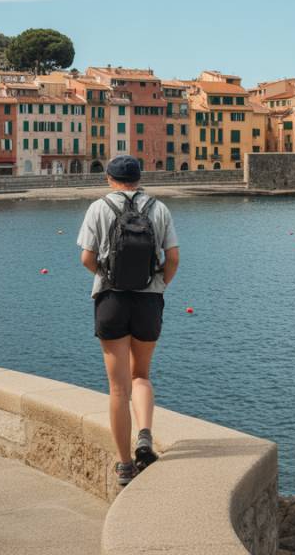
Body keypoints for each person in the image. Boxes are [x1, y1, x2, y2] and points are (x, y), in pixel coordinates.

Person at [77, 155, 180, 487]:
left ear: (109, 178)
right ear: (139, 178)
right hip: (149, 300)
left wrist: (106, 274)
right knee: (141, 376)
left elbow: (86, 257)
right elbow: (173, 257)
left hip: (111, 300)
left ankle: (124, 466)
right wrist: (159, 283)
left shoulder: (98, 208)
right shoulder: (159, 209)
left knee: (118, 389)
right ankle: (144, 435)